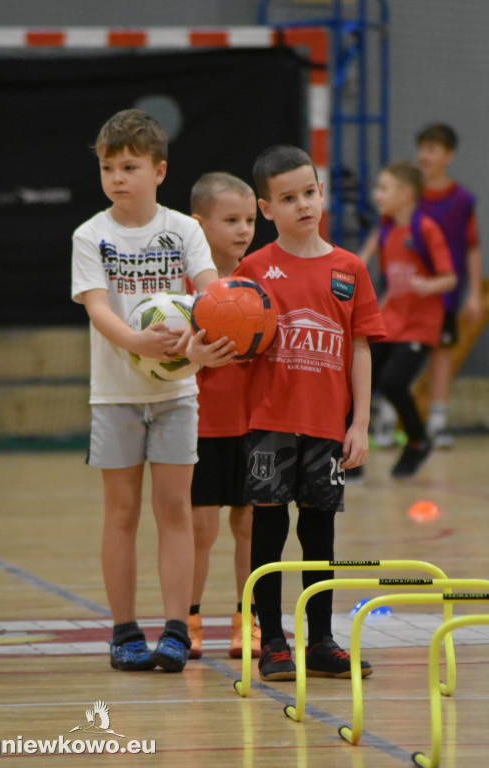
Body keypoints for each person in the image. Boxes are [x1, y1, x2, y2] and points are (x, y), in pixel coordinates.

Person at [71, 109, 236, 674]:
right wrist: (140, 343)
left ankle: (173, 630)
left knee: (175, 510)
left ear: (159, 171)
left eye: (130, 166)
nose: (118, 177)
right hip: (114, 395)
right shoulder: (90, 235)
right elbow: (98, 311)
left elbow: (214, 297)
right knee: (120, 512)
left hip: (176, 395)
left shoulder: (184, 230)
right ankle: (122, 631)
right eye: (108, 167)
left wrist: (200, 344)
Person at [233, 144, 386, 681]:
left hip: (327, 428)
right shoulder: (251, 269)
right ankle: (272, 640)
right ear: (266, 208)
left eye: (309, 192)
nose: (302, 204)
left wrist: (360, 421)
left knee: (319, 536)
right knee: (269, 534)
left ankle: (320, 640)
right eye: (287, 197)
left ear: (321, 193)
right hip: (269, 425)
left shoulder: (349, 268)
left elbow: (361, 348)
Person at [185, 172, 262, 659]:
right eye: (231, 219)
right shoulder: (179, 288)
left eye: (250, 220)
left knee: (249, 525)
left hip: (253, 425)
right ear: (199, 224)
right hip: (198, 426)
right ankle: (187, 618)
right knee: (200, 529)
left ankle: (246, 619)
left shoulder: (261, 281)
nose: (243, 229)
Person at [370, 161, 457, 478]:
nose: (376, 195)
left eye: (383, 188)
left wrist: (427, 285)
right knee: (362, 375)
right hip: (391, 322)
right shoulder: (387, 231)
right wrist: (376, 315)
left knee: (394, 382)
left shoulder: (426, 230)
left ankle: (418, 440)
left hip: (419, 327)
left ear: (406, 194)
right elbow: (392, 284)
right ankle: (347, 455)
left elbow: (449, 278)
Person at [416, 124, 483, 447]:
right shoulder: (408, 194)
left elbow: (471, 246)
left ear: (448, 155)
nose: (423, 156)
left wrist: (473, 294)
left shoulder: (462, 199)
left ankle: (437, 421)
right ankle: (387, 416)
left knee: (442, 351)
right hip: (410, 291)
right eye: (422, 148)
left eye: (431, 149)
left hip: (444, 292)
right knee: (398, 351)